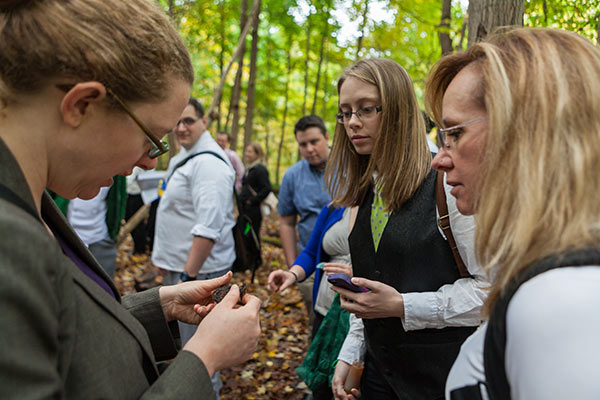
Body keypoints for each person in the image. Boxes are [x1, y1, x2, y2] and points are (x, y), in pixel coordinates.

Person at [0, 1, 261, 398]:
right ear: (82, 105)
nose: (145, 161)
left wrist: (157, 308)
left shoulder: (29, 203)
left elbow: (59, 337)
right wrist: (204, 355)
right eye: (150, 138)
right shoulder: (9, 242)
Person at [425, 27, 600, 400]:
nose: (440, 158)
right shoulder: (554, 274)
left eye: (454, 133)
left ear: (526, 133)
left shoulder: (562, 298)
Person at [324, 58, 489, 400]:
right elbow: (368, 293)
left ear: (397, 110)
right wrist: (352, 353)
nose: (353, 122)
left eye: (367, 109)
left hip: (442, 379)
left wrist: (403, 305)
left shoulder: (446, 183)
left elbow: (490, 291)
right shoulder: (366, 189)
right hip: (379, 377)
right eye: (345, 112)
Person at [152, 97, 236, 398]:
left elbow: (208, 228)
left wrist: (188, 278)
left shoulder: (209, 165)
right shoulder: (183, 158)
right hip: (179, 268)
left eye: (188, 120)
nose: (181, 127)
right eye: (176, 121)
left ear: (204, 122)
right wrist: (164, 259)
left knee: (200, 355)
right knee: (188, 347)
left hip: (200, 274)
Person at [268, 204, 353, 400]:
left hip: (360, 317)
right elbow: (311, 252)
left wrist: (357, 273)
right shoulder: (335, 207)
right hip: (325, 311)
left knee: (348, 386)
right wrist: (292, 274)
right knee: (321, 383)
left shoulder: (386, 207)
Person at [278, 115, 332, 325]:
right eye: (303, 144)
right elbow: (287, 222)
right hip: (309, 263)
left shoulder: (350, 165)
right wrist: (293, 264)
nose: (309, 149)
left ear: (326, 137)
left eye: (314, 141)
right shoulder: (292, 176)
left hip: (344, 260)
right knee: (316, 319)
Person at [240, 142, 272, 238]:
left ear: (257, 154)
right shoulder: (248, 168)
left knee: (251, 235)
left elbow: (267, 188)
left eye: (250, 152)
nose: (246, 154)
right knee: (244, 234)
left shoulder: (260, 169)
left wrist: (252, 201)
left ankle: (253, 253)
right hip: (245, 209)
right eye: (246, 151)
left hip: (254, 211)